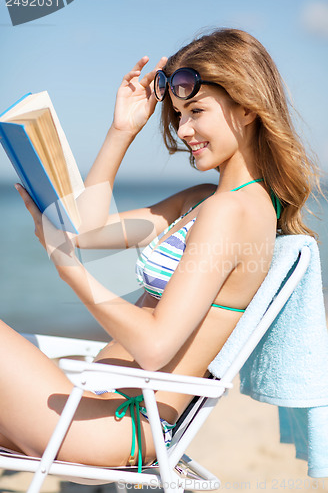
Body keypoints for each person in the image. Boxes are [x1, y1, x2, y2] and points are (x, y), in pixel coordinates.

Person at [0, 28, 319, 470]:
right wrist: (122, 130)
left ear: (246, 107)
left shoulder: (232, 211)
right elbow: (86, 229)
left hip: (120, 425)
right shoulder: (202, 201)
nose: (184, 129)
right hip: (99, 404)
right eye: (177, 114)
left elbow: (154, 346)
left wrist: (66, 268)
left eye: (196, 111)